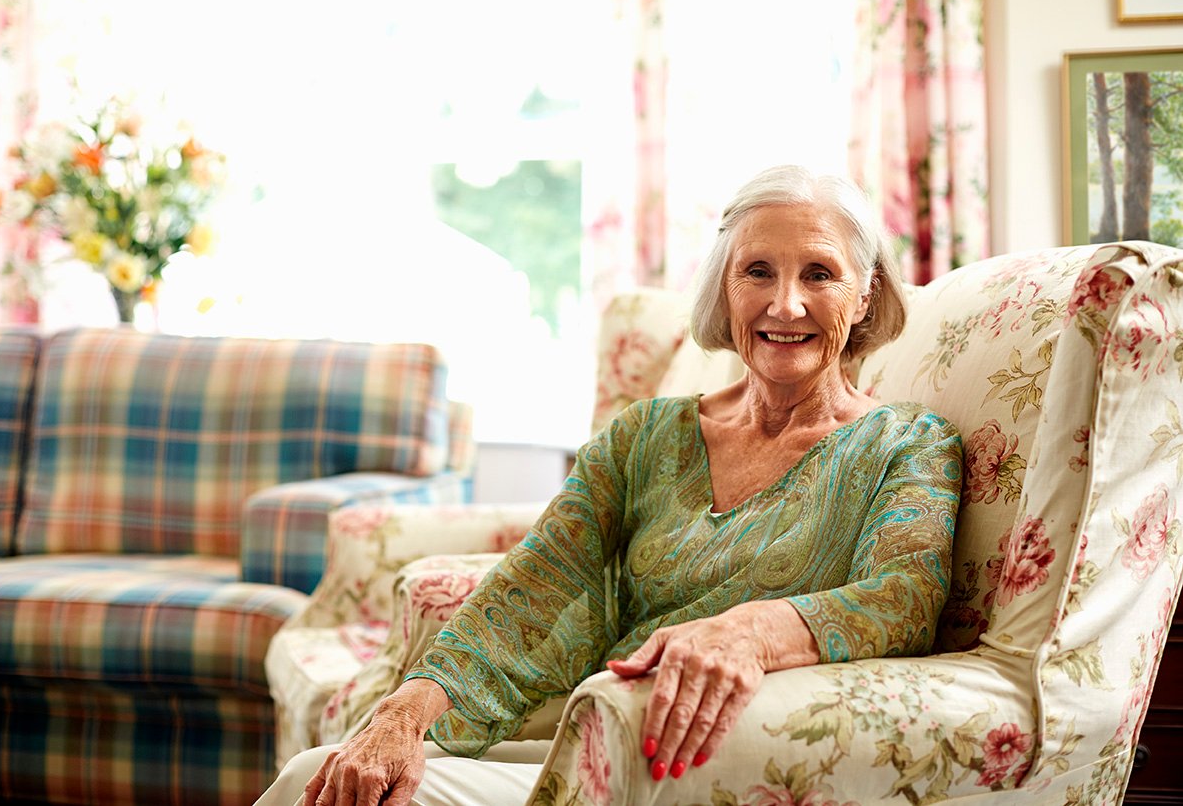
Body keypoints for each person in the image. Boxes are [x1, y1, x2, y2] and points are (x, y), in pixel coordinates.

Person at [257, 165, 962, 806]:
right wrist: (401, 713)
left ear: (864, 293)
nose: (785, 304)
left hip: (720, 763)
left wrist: (751, 631)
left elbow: (901, 599)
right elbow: (536, 584)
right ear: (725, 287)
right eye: (757, 271)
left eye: (818, 274)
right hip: (594, 738)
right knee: (319, 776)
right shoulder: (645, 435)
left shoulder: (909, 444)